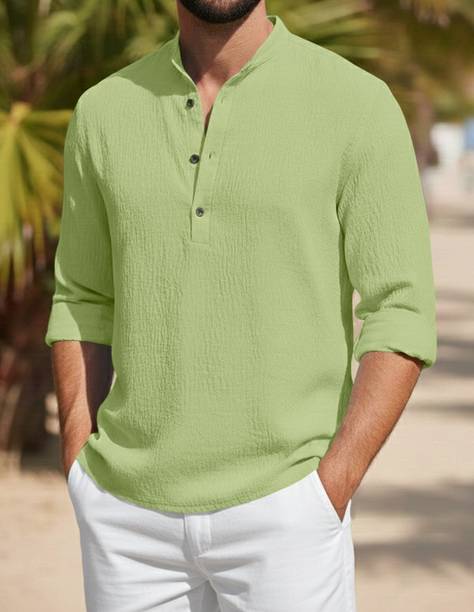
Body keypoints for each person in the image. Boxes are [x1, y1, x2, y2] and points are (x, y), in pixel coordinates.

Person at [44, 2, 437, 610]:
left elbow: (401, 309)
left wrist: (330, 487)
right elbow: (83, 298)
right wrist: (80, 463)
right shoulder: (104, 110)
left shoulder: (356, 103)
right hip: (126, 522)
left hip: (287, 511)